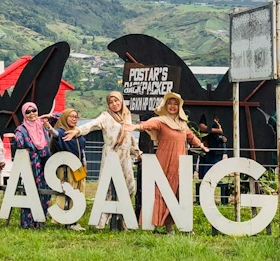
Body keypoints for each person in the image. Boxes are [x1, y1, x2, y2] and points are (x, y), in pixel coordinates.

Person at [124, 91, 208, 234]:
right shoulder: (161, 121)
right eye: (170, 103)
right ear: (166, 105)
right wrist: (137, 127)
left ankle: (177, 226)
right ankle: (156, 225)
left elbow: (191, 136)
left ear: (179, 106)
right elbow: (150, 124)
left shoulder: (182, 124)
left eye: (175, 104)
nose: (173, 106)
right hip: (164, 162)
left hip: (179, 163)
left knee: (177, 193)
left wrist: (201, 146)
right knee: (161, 191)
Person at [64, 91, 142, 229]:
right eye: (111, 102)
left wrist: (137, 152)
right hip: (111, 155)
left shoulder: (127, 116)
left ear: (121, 101)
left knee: (130, 187)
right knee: (106, 190)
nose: (114, 104)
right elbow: (92, 124)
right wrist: (77, 131)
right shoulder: (106, 117)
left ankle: (119, 216)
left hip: (125, 157)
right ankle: (101, 221)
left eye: (116, 101)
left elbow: (129, 137)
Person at [13, 102, 55, 229]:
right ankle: (28, 222)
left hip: (46, 162)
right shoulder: (21, 129)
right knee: (31, 191)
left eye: (34, 111)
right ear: (24, 114)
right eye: (28, 112)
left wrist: (48, 116)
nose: (31, 114)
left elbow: (61, 115)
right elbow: (19, 141)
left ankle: (41, 219)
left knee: (46, 190)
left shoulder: (42, 126)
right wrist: (16, 139)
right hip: (32, 166)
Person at [49, 107, 87, 231]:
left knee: (79, 191)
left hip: (79, 167)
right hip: (66, 168)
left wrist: (84, 164)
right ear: (65, 117)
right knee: (68, 192)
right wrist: (48, 127)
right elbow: (55, 135)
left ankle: (74, 219)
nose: (74, 119)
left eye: (76, 117)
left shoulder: (77, 132)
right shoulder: (61, 131)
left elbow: (82, 150)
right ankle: (64, 219)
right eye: (71, 116)